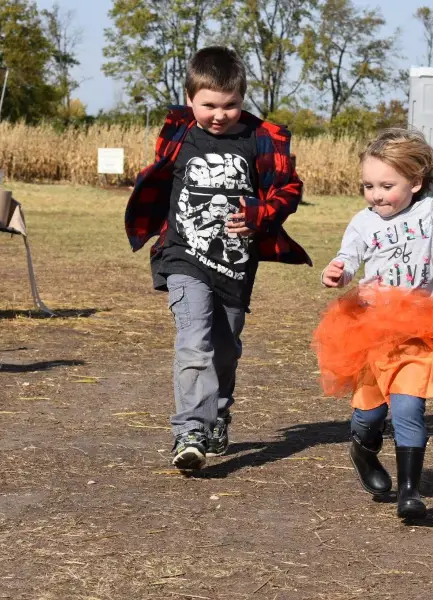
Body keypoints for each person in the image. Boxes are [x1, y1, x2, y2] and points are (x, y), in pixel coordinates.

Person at [125, 46, 311, 470]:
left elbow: (288, 190)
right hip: (182, 255)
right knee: (195, 343)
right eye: (208, 105)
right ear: (190, 99)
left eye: (230, 105)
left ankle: (217, 413)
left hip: (235, 264)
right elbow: (157, 178)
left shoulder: (263, 138)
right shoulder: (178, 134)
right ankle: (189, 431)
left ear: (242, 100)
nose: (219, 114)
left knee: (225, 351)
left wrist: (259, 215)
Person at [314, 128, 433, 520]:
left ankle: (410, 492)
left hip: (421, 328)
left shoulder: (432, 211)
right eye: (368, 185)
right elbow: (347, 260)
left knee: (409, 408)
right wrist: (337, 273)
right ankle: (363, 447)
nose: (376, 194)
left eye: (386, 185)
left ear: (415, 182)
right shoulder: (363, 222)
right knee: (371, 412)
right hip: (373, 328)